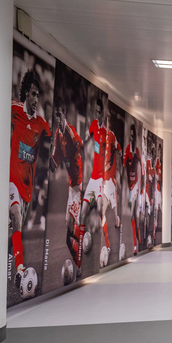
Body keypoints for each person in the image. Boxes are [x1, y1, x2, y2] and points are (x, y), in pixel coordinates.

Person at [9, 69, 51, 289]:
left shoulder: (42, 124)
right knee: (15, 214)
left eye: (38, 95)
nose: (35, 99)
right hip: (11, 179)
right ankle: (19, 270)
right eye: (33, 94)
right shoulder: (15, 109)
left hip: (27, 188)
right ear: (26, 93)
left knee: (14, 229)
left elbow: (52, 139)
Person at [49, 102, 84, 272]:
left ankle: (84, 238)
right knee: (66, 235)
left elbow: (79, 144)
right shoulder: (57, 133)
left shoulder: (70, 131)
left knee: (72, 226)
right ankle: (78, 265)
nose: (57, 119)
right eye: (55, 116)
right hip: (71, 187)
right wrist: (50, 163)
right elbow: (55, 159)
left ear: (64, 116)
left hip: (78, 185)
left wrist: (76, 143)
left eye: (60, 115)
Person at [79, 98, 108, 263]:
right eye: (96, 111)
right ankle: (81, 250)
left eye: (99, 111)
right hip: (92, 178)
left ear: (103, 112)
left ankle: (104, 246)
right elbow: (86, 138)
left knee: (99, 210)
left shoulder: (105, 132)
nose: (97, 114)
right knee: (82, 212)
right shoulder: (93, 126)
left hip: (101, 180)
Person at [123, 124, 143, 255]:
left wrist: (140, 187)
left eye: (133, 134)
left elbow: (141, 170)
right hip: (129, 185)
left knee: (133, 214)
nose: (131, 136)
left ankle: (135, 246)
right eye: (130, 134)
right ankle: (138, 239)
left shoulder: (137, 150)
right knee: (133, 216)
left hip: (135, 185)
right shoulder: (127, 150)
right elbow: (124, 166)